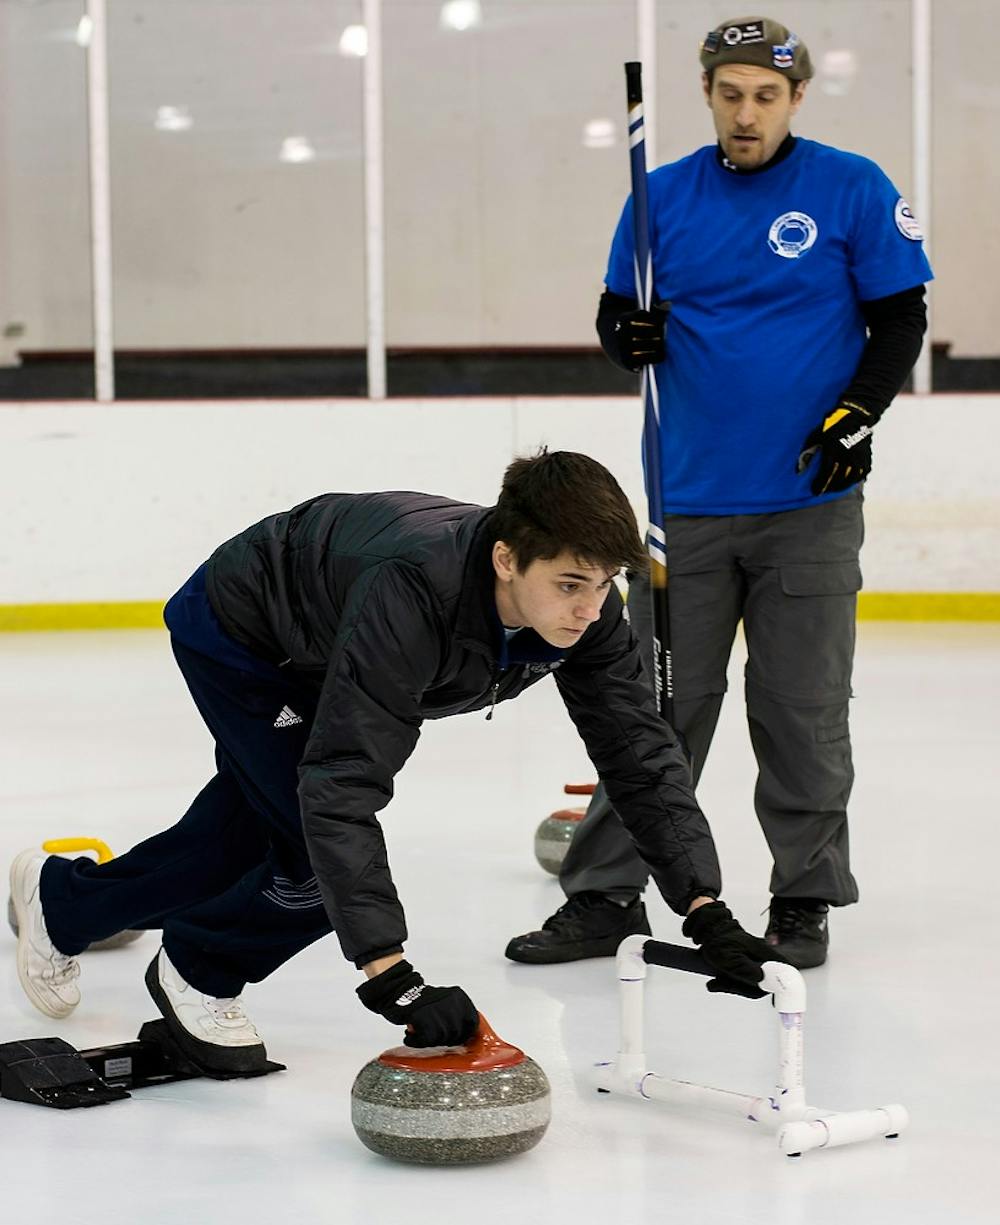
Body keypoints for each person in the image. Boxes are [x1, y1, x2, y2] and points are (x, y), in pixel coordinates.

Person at [10, 450, 782, 1074]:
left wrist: (702, 905)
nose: (589, 608)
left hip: (328, 635)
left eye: (604, 583)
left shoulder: (588, 612)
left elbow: (639, 755)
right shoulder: (416, 591)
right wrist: (391, 973)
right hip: (245, 636)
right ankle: (199, 969)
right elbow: (344, 784)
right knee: (310, 856)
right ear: (508, 558)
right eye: (571, 584)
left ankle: (62, 901)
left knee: (251, 827)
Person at [506, 17, 932, 971]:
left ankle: (804, 894)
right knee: (650, 709)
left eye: (767, 95)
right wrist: (629, 337)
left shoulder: (850, 187)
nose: (748, 113)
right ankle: (608, 892)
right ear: (706, 95)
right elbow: (621, 311)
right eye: (731, 93)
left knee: (802, 705)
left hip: (807, 503)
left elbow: (901, 316)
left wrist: (857, 413)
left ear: (795, 99)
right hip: (679, 507)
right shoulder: (658, 198)